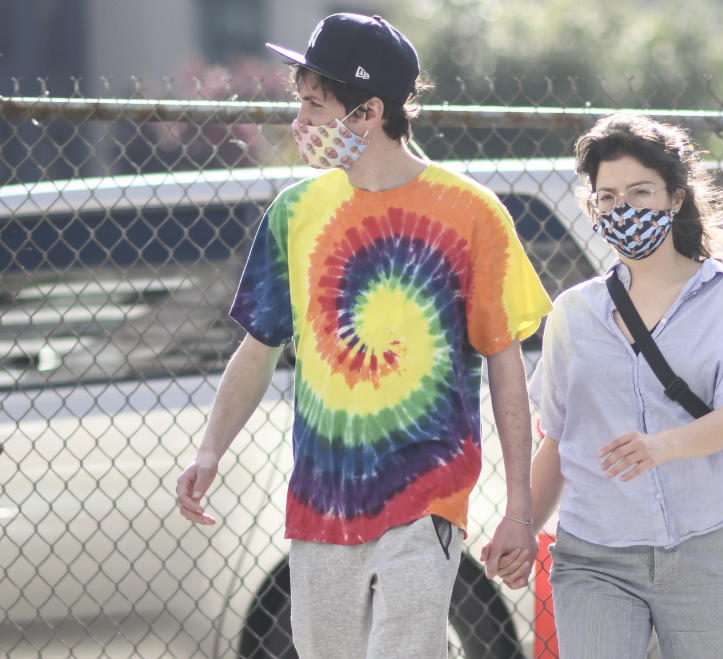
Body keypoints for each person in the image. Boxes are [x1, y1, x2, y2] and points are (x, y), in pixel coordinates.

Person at [175, 13, 552, 658]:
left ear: (369, 111)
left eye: (314, 105)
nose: (300, 121)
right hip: (320, 500)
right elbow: (259, 346)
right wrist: (210, 450)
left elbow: (504, 359)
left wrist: (520, 506)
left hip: (427, 493)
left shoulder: (472, 214)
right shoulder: (294, 212)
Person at [485, 112, 723, 658]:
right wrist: (522, 523)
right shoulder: (574, 313)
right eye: (607, 197)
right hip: (595, 555)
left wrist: (658, 447)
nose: (623, 207)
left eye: (641, 190)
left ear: (675, 197)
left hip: (709, 546)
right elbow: (557, 439)